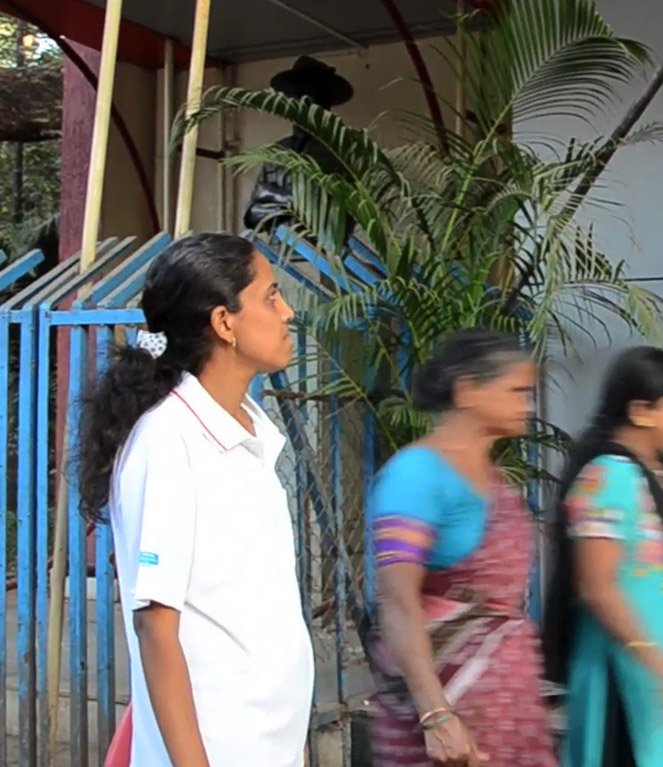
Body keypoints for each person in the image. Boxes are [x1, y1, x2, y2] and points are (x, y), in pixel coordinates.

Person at [76, 232, 312, 766]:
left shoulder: (251, 429)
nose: (288, 312)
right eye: (271, 296)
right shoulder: (168, 442)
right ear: (224, 323)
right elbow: (156, 627)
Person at [364, 330, 556, 766]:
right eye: (516, 391)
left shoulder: (495, 478)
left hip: (505, 713)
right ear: (468, 391)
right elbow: (397, 601)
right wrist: (436, 715)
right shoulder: (416, 475)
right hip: (450, 725)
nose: (527, 404)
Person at [541, 347, 663, 767]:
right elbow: (597, 588)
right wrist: (657, 662)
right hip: (629, 670)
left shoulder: (657, 470)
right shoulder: (605, 478)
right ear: (642, 410)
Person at [243, 55, 355, 232]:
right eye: (297, 97)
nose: (304, 105)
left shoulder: (344, 151)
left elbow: (343, 210)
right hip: (279, 252)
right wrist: (293, 204)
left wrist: (276, 201)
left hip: (325, 254)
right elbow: (253, 214)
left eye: (313, 99)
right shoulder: (278, 151)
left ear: (326, 107)